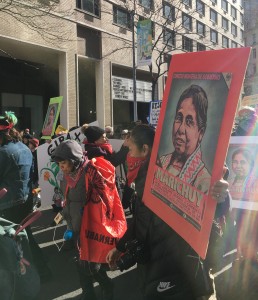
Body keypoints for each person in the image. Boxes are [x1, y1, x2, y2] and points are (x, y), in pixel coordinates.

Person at [106, 124, 230, 300]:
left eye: (131, 150)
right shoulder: (144, 178)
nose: (128, 157)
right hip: (152, 266)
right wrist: (120, 247)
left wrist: (222, 196)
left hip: (180, 266)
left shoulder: (178, 173)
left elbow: (211, 212)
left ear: (145, 150)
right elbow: (141, 219)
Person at [51, 139, 125, 300]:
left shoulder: (90, 173)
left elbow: (104, 200)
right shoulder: (67, 175)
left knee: (90, 264)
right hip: (76, 225)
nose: (61, 167)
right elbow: (68, 198)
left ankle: (106, 285)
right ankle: (88, 292)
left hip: (91, 227)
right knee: (81, 262)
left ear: (75, 161)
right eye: (59, 164)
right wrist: (63, 216)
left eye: (64, 163)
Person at [0, 111, 51, 280]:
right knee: (26, 237)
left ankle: (22, 278)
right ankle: (42, 272)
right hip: (25, 200)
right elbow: (32, 174)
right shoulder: (23, 147)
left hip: (8, 204)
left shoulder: (3, 152)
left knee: (13, 241)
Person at [159, 84, 211, 194]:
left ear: (200, 133)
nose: (180, 129)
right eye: (179, 118)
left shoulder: (204, 182)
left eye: (189, 122)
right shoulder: (161, 162)